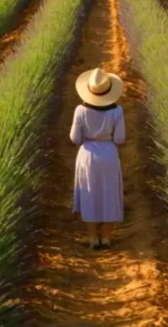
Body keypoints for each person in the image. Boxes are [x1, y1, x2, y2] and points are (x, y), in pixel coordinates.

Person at [70, 67, 126, 250]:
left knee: (89, 193)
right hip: (109, 155)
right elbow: (120, 139)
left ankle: (93, 238)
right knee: (109, 193)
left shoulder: (80, 110)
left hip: (87, 156)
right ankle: (107, 238)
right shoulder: (117, 111)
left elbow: (75, 139)